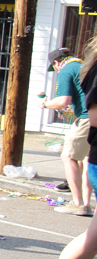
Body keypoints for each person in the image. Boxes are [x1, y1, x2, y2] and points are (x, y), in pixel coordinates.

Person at [27, 37, 97, 259]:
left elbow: (67, 102)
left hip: (89, 140)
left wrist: (46, 105)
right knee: (72, 156)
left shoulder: (73, 68)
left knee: (93, 237)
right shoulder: (82, 67)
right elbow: (92, 114)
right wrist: (48, 105)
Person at [38, 47, 92, 216]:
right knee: (88, 159)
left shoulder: (66, 70)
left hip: (87, 118)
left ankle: (77, 203)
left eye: (53, 67)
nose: (55, 70)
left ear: (56, 62)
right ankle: (86, 203)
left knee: (68, 156)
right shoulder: (84, 66)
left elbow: (63, 100)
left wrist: (44, 104)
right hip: (93, 115)